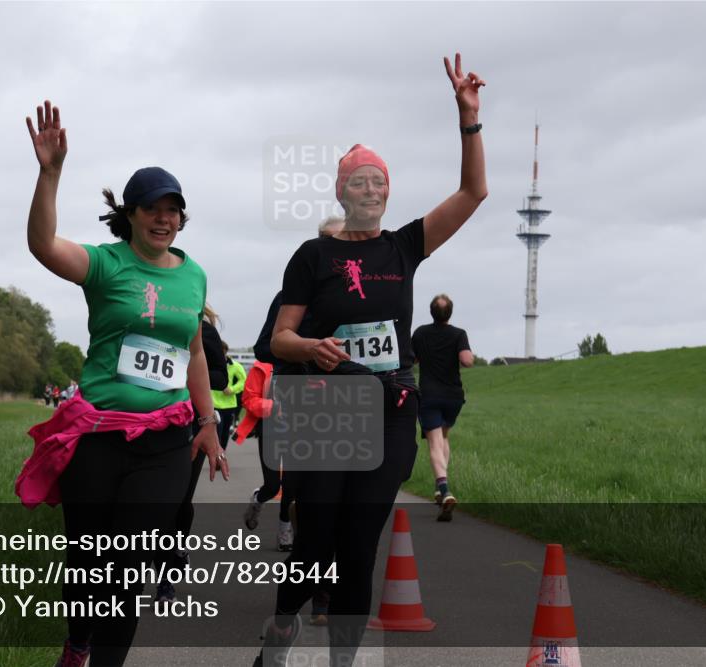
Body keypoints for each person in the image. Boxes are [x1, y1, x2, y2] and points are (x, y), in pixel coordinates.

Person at [253, 52, 487, 667]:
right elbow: (278, 339)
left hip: (387, 409)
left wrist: (468, 120)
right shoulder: (313, 256)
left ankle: (341, 661)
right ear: (340, 190)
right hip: (324, 409)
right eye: (360, 180)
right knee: (316, 542)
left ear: (389, 191)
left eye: (380, 180)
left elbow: (473, 192)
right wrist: (310, 348)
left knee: (358, 548)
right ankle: (282, 629)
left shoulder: (406, 247)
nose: (371, 188)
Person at [17, 100, 227, 667]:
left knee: (130, 567)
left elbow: (193, 353)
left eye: (173, 210)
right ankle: (77, 642)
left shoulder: (194, 274)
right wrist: (50, 174)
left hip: (164, 439)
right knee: (88, 563)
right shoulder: (106, 265)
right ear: (130, 214)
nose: (164, 219)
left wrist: (207, 423)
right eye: (152, 210)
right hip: (99, 438)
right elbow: (42, 246)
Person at [243, 215, 344, 557]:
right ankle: (275, 511)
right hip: (292, 389)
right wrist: (302, 348)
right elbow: (263, 346)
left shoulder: (353, 298)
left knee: (322, 478)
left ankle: (308, 542)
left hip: (336, 395)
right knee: (283, 476)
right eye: (332, 242)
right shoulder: (290, 296)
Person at [155, 303, 229, 603]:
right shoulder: (144, 325)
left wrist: (183, 371)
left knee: (178, 500)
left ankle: (168, 573)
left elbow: (221, 379)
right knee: (153, 502)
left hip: (192, 424)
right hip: (147, 420)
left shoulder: (203, 331)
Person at [411, 293, 473, 521]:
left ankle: (444, 489)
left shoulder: (420, 333)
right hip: (453, 396)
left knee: (435, 442)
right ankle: (440, 489)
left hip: (429, 394)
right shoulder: (459, 334)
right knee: (444, 437)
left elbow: (412, 359)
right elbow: (466, 360)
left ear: (431, 312)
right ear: (451, 313)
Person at [213, 341, 246, 451]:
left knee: (225, 432)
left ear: (226, 352)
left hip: (229, 404)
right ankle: (217, 454)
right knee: (218, 430)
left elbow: (243, 381)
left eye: (222, 352)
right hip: (214, 404)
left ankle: (222, 452)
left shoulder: (235, 366)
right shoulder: (210, 364)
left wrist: (231, 389)